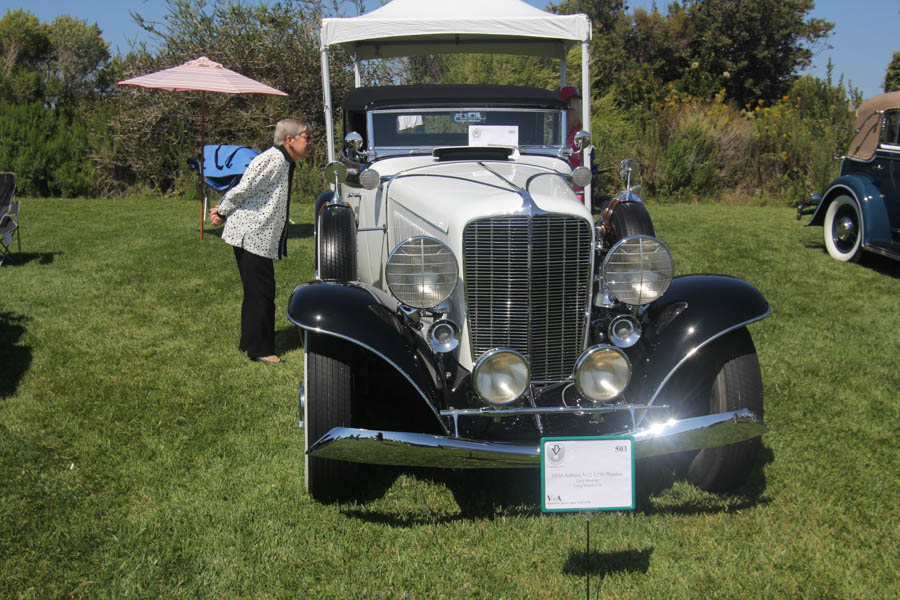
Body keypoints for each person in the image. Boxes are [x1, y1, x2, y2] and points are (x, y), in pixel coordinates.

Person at [209, 118, 313, 364]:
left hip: (259, 235)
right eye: (306, 137)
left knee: (256, 291)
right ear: (289, 140)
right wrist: (222, 211)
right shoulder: (273, 160)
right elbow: (244, 187)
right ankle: (261, 350)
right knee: (262, 292)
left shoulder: (284, 161)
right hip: (251, 234)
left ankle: (249, 342)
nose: (310, 142)